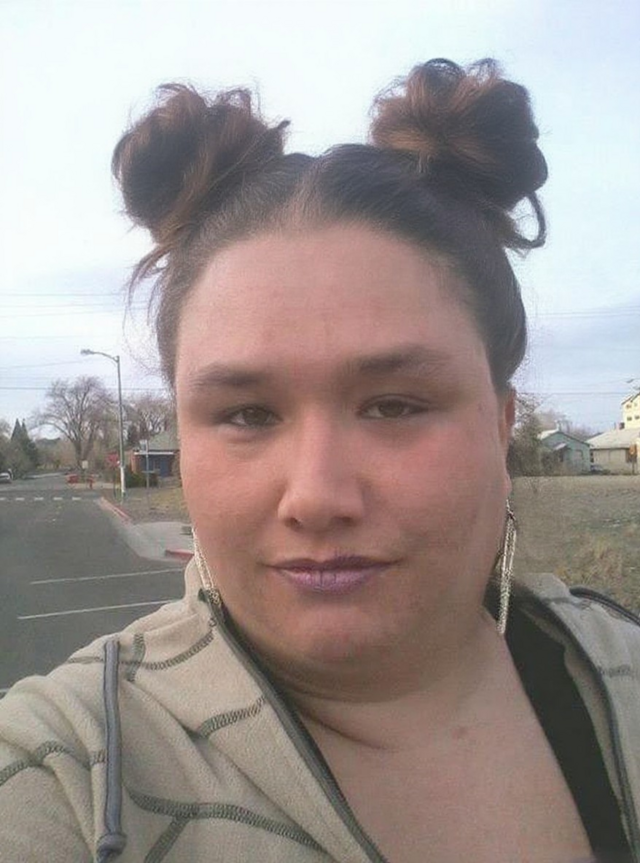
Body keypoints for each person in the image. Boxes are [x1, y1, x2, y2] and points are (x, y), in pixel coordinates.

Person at [0, 59, 638, 863]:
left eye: (395, 405)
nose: (316, 495)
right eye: (247, 413)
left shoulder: (622, 673)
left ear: (502, 425)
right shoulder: (65, 774)